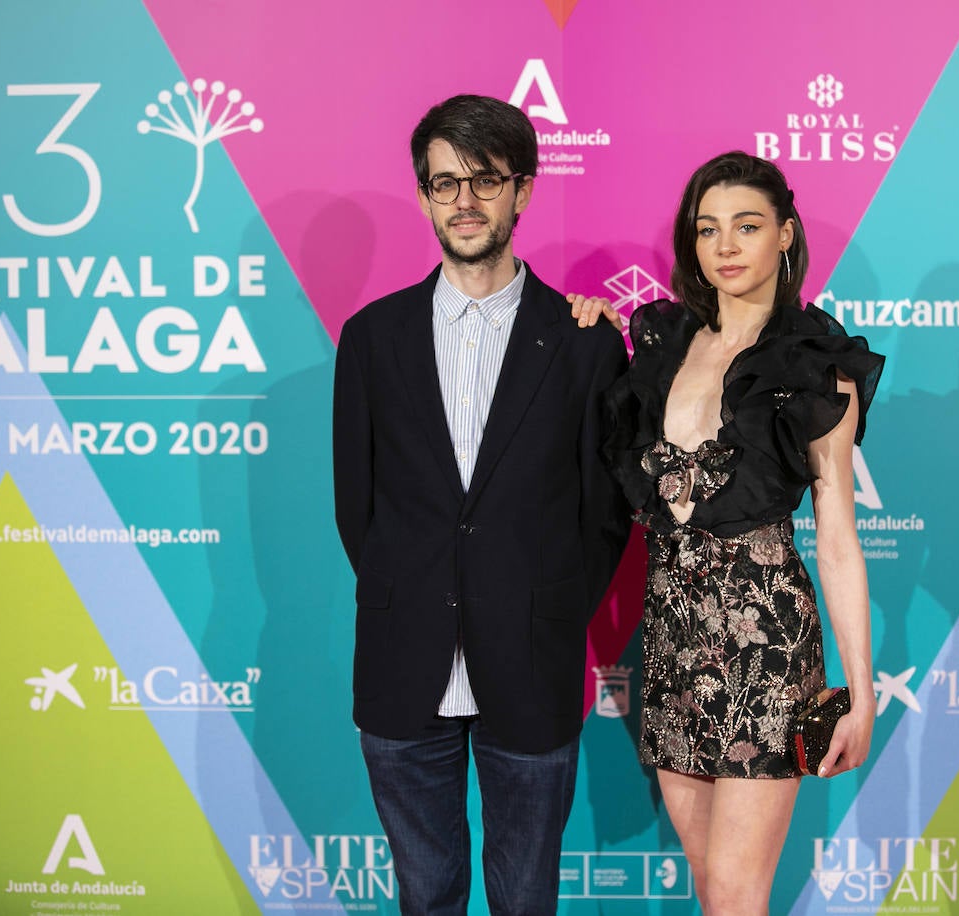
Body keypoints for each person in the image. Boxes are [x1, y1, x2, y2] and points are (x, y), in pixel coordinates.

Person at [332, 94, 631, 915]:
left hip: (531, 662)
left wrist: (547, 603)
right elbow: (357, 509)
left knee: (526, 897)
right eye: (442, 184)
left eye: (483, 181)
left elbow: (604, 514)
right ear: (425, 196)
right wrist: (418, 587)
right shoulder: (370, 338)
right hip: (402, 663)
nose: (463, 202)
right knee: (425, 896)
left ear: (522, 191)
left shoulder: (585, 341)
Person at [572, 151, 883, 914]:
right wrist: (585, 323)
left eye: (747, 226)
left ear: (786, 233)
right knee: (712, 888)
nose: (726, 246)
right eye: (708, 229)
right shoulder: (663, 345)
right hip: (674, 642)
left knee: (739, 895)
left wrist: (861, 691)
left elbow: (838, 536)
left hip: (765, 649)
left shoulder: (814, 363)